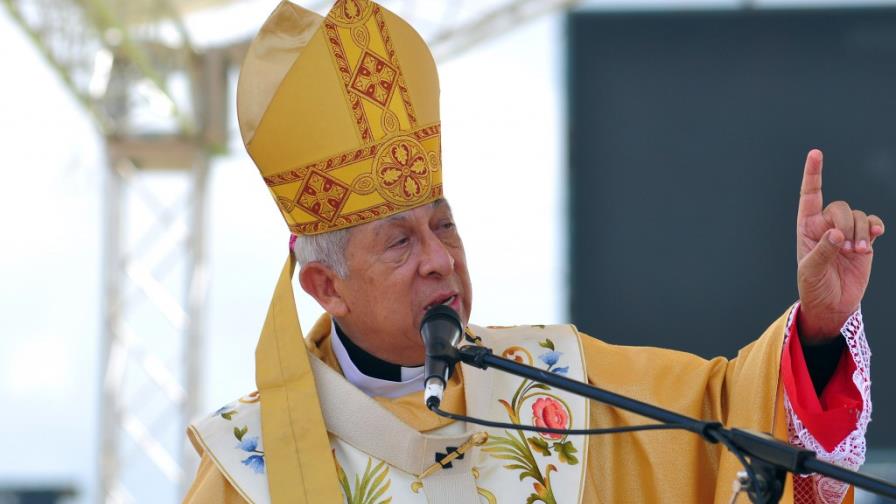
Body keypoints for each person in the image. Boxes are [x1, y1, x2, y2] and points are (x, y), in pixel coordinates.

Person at [182, 1, 885, 503]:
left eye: (445, 226)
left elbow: (729, 415)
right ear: (325, 287)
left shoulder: (556, 386)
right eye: (399, 241)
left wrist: (820, 327)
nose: (438, 259)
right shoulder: (252, 469)